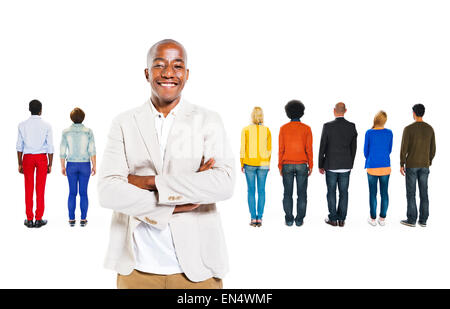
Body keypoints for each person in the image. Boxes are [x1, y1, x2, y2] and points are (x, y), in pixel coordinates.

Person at [98, 39, 235, 289]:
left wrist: (145, 182)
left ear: (187, 74)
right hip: (136, 270)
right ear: (147, 73)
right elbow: (108, 192)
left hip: (198, 270)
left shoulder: (208, 120)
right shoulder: (123, 122)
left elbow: (223, 184)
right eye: (159, 65)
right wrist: (178, 202)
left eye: (177, 66)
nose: (169, 73)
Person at [318, 102, 357, 227]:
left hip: (331, 165)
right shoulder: (351, 126)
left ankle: (333, 219)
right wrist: (351, 163)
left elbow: (322, 146)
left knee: (331, 192)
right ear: (345, 111)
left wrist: (320, 164)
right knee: (344, 192)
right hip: (346, 165)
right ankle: (342, 220)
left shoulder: (327, 126)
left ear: (334, 111)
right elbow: (354, 148)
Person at [16, 99, 53, 228]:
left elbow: (19, 146)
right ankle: (38, 218)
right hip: (42, 158)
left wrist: (19, 163)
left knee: (28, 188)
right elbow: (50, 147)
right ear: (41, 110)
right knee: (40, 189)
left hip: (28, 158)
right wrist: (50, 164)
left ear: (29, 110)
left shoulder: (22, 125)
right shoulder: (47, 125)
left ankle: (29, 219)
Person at [400, 104, 436, 227]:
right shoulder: (430, 128)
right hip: (425, 165)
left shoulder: (408, 129)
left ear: (414, 113)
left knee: (411, 193)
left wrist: (401, 163)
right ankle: (423, 220)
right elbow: (433, 149)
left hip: (411, 165)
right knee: (424, 193)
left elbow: (403, 149)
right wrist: (428, 161)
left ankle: (411, 220)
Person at [60, 107, 96, 227]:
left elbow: (62, 150)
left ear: (71, 118)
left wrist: (62, 166)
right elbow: (92, 150)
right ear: (83, 118)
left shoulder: (66, 132)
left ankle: (71, 219)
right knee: (84, 193)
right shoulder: (88, 131)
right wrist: (94, 165)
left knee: (72, 193)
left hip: (71, 164)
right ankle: (83, 219)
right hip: (85, 164)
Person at [278, 100, 313, 227]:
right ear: (301, 112)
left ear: (288, 113)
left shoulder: (283, 128)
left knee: (287, 193)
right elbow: (309, 149)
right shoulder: (307, 129)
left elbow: (281, 149)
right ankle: (299, 220)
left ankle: (288, 219)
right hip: (302, 164)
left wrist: (280, 165)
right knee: (302, 194)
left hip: (286, 164)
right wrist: (311, 164)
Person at [240, 107, 271, 227]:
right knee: (262, 190)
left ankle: (253, 218)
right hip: (263, 164)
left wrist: (242, 163)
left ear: (252, 116)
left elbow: (243, 148)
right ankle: (260, 218)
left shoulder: (246, 130)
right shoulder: (267, 130)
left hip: (249, 164)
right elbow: (269, 149)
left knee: (251, 191)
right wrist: (267, 162)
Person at [363, 111, 393, 226]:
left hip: (372, 167)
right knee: (384, 193)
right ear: (384, 121)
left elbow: (366, 151)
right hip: (385, 166)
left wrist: (372, 158)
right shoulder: (389, 133)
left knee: (373, 193)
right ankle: (382, 218)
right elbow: (389, 150)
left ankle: (373, 218)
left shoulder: (369, 133)